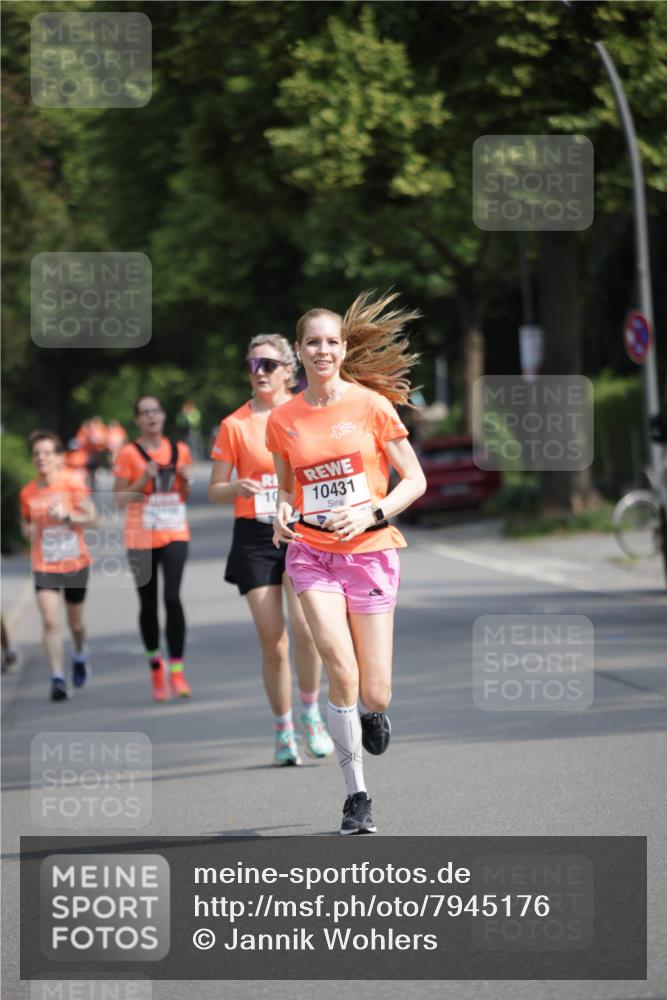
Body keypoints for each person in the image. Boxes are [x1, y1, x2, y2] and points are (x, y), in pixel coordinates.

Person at [266, 291, 426, 834]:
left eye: (332, 341)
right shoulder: (282, 419)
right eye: (313, 342)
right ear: (298, 351)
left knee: (374, 690)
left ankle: (371, 714)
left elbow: (415, 480)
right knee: (341, 667)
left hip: (370, 554)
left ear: (342, 348)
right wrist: (280, 515)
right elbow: (288, 486)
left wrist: (372, 513)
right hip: (311, 554)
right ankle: (356, 795)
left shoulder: (370, 406)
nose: (323, 350)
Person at [208, 335, 334, 766]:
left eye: (267, 363)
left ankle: (312, 713)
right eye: (252, 364)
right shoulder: (234, 425)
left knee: (306, 629)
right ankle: (283, 730)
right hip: (254, 536)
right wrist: (234, 487)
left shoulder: (306, 413)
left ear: (288, 369)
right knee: (274, 641)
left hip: (300, 529)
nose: (259, 372)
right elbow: (214, 489)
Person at [113, 396, 193, 701]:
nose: (151, 417)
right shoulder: (128, 454)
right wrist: (141, 479)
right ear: (137, 420)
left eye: (155, 411)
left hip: (174, 531)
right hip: (140, 537)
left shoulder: (179, 450)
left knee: (172, 598)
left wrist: (184, 482)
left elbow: (181, 496)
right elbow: (118, 500)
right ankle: (156, 668)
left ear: (163, 416)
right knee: (148, 604)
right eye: (144, 413)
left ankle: (177, 670)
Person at [19, 431, 97, 700]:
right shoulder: (28, 492)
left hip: (74, 560)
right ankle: (57, 678)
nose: (41, 458)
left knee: (75, 623)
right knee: (51, 620)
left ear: (58, 457)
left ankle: (79, 652)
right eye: (37, 453)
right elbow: (26, 523)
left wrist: (67, 515)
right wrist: (27, 531)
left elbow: (93, 518)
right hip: (45, 563)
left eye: (47, 453)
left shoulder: (72, 483)